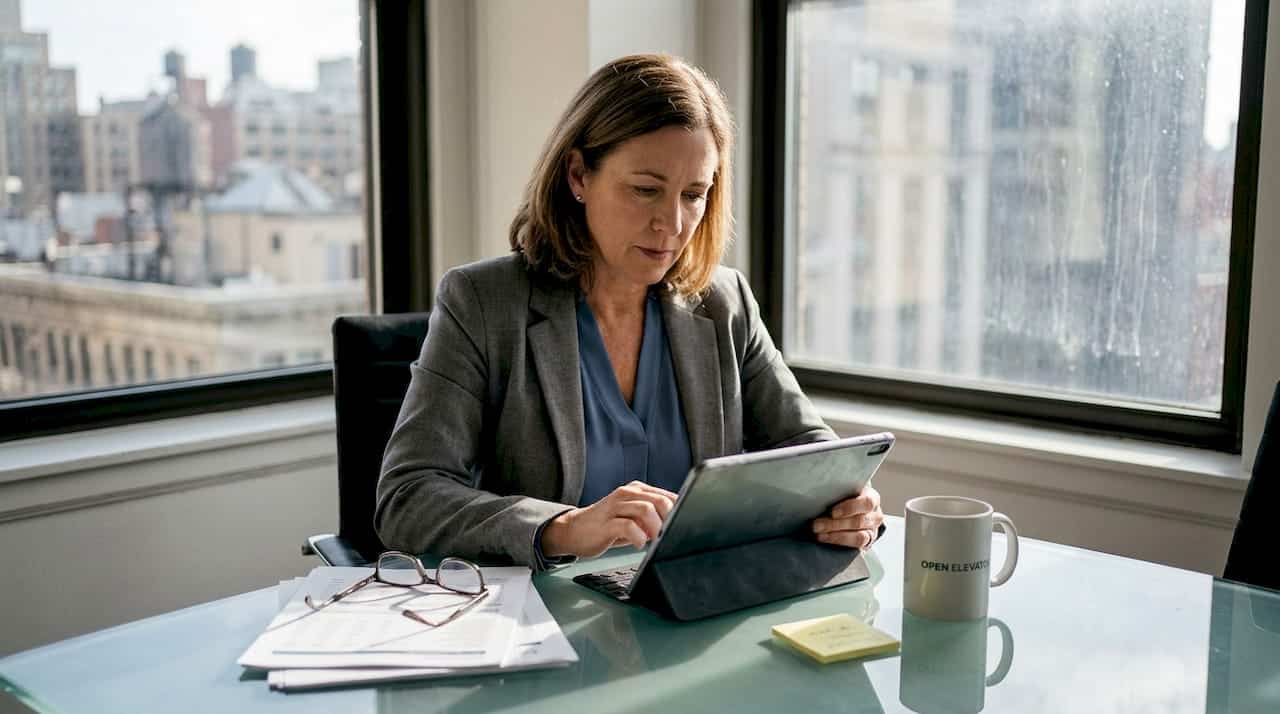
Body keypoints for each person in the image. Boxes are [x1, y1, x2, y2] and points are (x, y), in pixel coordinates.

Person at [375, 53, 883, 570]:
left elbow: (809, 447)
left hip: (689, 608)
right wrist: (562, 527)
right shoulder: (482, 301)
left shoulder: (725, 302)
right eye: (646, 190)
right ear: (578, 175)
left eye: (694, 195)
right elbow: (407, 498)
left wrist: (851, 502)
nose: (672, 222)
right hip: (541, 622)